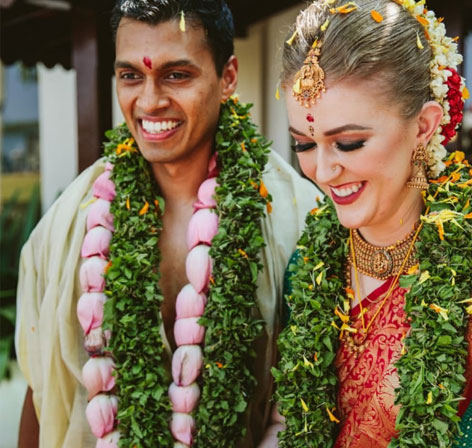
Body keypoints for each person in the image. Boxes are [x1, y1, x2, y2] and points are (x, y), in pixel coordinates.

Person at [271, 1, 472, 447]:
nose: (324, 171)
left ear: (424, 126)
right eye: (304, 145)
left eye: (348, 143)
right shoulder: (307, 270)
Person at [16, 1, 318, 447]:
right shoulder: (67, 225)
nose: (150, 101)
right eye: (130, 75)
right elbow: (41, 390)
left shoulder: (299, 218)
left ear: (228, 77)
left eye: (176, 75)